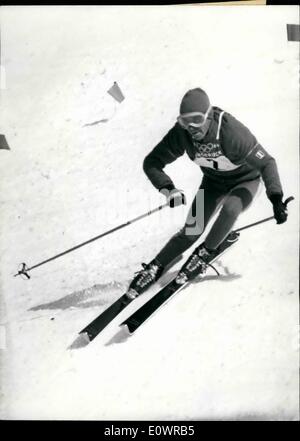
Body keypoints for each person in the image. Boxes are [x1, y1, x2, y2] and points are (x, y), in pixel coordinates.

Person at [126, 87, 288, 299]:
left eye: (197, 119)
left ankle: (205, 252)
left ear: (209, 116)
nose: (191, 127)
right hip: (213, 183)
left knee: (231, 208)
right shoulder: (182, 134)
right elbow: (152, 162)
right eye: (185, 121)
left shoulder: (231, 133)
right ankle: (156, 266)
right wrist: (168, 189)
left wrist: (276, 198)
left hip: (245, 181)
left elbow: (267, 162)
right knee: (191, 230)